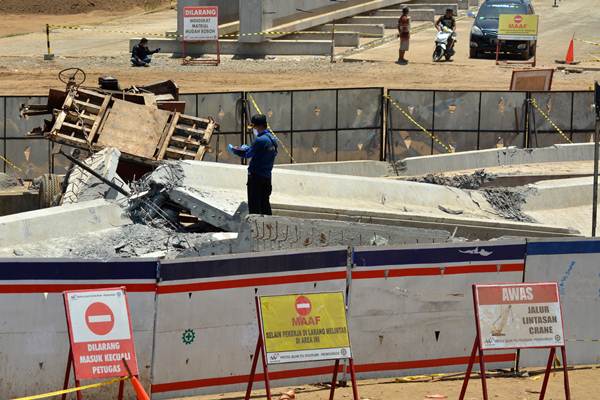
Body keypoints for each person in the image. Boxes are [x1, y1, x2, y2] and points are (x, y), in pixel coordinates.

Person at [228, 114, 278, 215]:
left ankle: (254, 229)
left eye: (254, 127)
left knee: (254, 206)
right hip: (267, 177)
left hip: (256, 178)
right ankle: (268, 228)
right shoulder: (272, 139)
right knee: (265, 204)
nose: (253, 129)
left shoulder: (260, 140)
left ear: (258, 126)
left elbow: (247, 154)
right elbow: (263, 153)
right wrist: (249, 148)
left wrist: (235, 150)